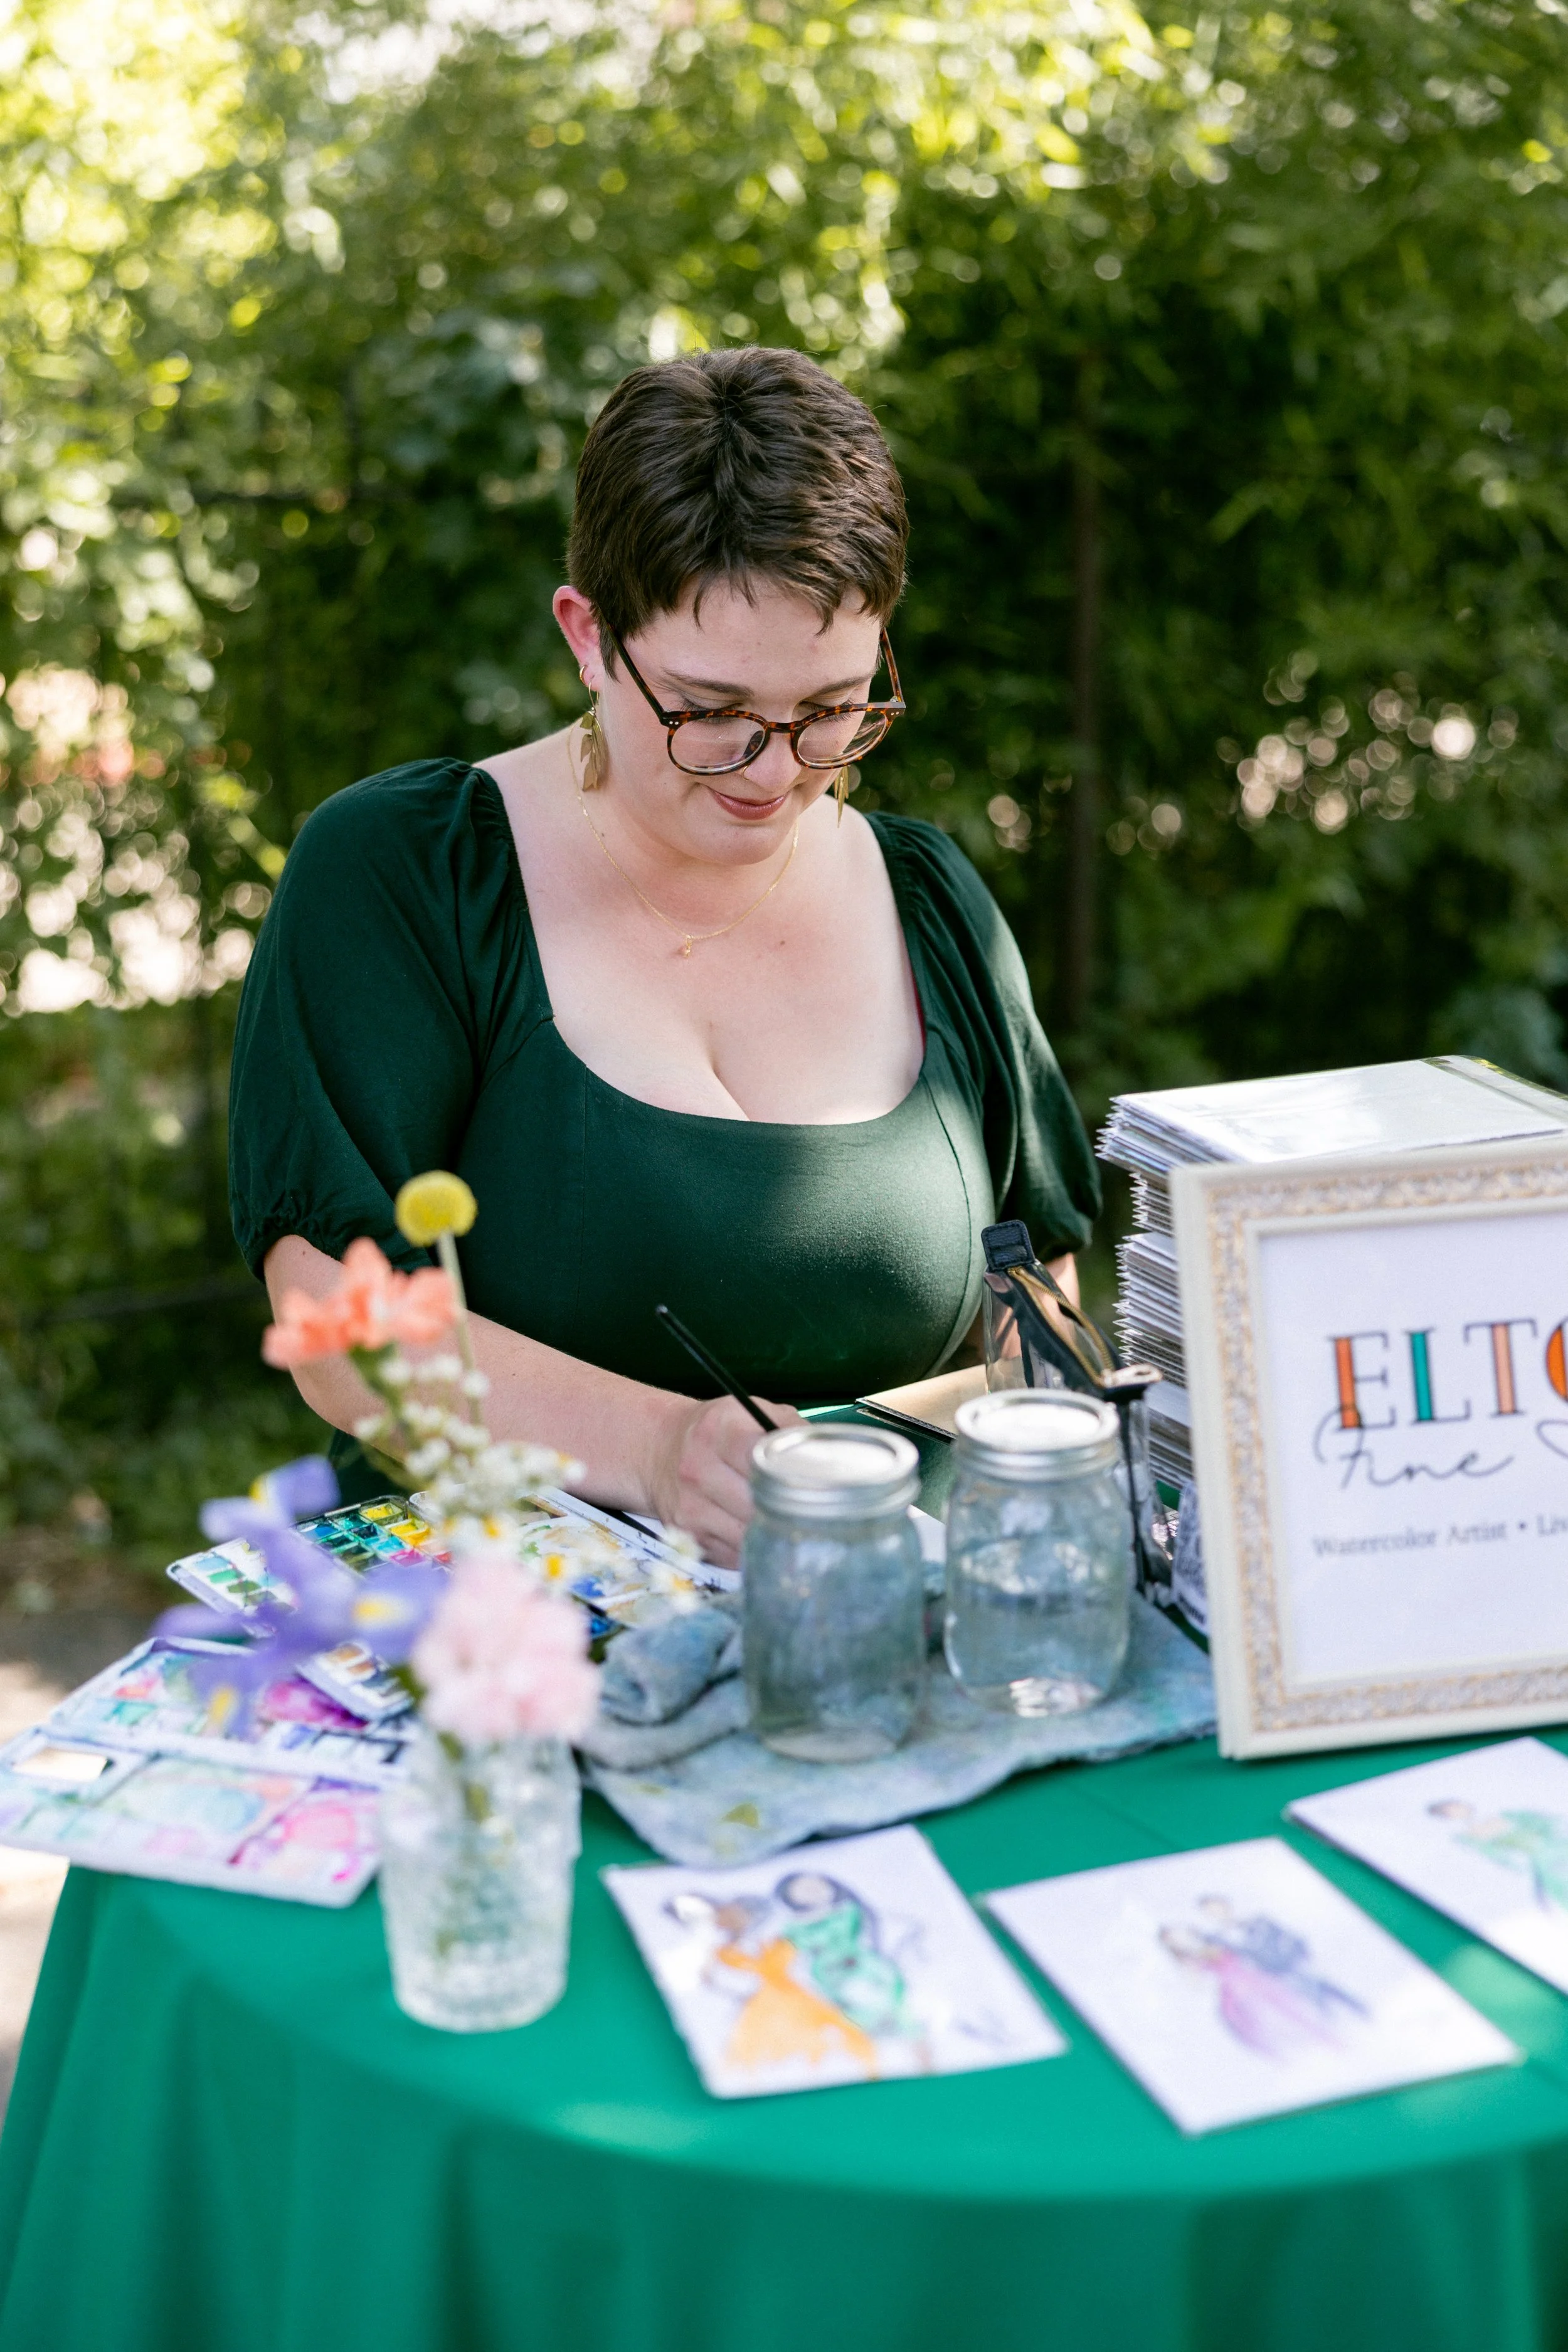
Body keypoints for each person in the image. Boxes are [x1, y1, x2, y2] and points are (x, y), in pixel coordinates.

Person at [230, 347, 1100, 1565]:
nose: (774, 771)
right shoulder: (407, 876)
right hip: (501, 1657)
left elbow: (1031, 1285)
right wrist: (655, 1450)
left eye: (832, 709)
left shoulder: (931, 903)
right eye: (710, 712)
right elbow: (338, 1321)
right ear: (588, 638)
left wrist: (1059, 1491)